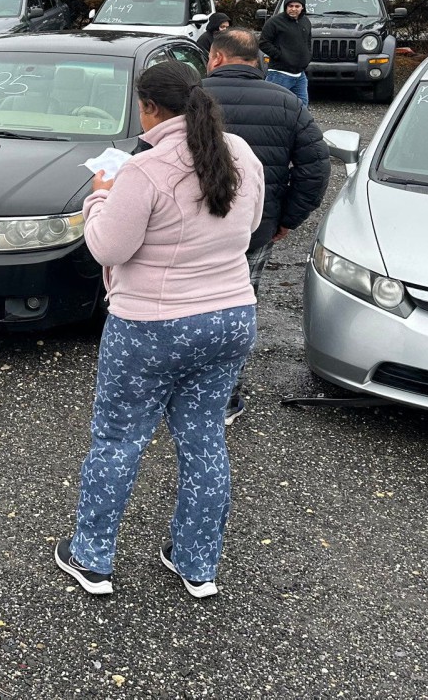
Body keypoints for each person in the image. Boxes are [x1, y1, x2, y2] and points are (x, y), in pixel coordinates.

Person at [55, 61, 264, 600]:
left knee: (119, 442)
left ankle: (92, 557)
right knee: (204, 441)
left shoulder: (141, 172)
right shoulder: (240, 153)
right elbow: (252, 223)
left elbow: (107, 247)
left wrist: (99, 193)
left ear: (148, 108)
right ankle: (197, 566)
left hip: (152, 325)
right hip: (230, 318)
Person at [203, 28, 330, 422]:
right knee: (238, 308)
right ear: (257, 59)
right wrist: (286, 219)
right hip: (254, 230)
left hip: (187, 228)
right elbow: (316, 170)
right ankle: (224, 399)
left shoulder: (192, 97)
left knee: (183, 306)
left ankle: (181, 393)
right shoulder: (288, 103)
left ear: (218, 58)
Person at [260, 0, 312, 105]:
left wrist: (308, 56)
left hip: (300, 75)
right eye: (290, 6)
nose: (293, 9)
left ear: (302, 7)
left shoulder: (306, 21)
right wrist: (280, 56)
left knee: (302, 107)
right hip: (279, 74)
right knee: (272, 105)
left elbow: (308, 41)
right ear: (286, 6)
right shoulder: (274, 22)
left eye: (297, 6)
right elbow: (263, 43)